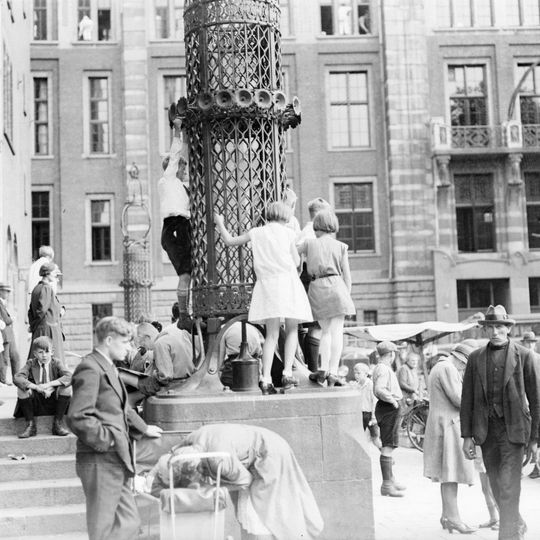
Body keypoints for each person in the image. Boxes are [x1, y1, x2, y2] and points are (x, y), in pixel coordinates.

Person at [67, 316, 163, 540]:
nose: (130, 348)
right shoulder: (90, 368)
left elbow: (123, 407)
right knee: (102, 527)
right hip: (100, 458)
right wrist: (108, 439)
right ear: (109, 340)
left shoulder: (109, 367)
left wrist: (143, 428)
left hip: (116, 458)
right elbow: (77, 417)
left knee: (129, 523)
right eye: (125, 342)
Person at [147, 423, 324, 540]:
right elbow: (168, 456)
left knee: (266, 512)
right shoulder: (192, 441)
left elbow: (245, 482)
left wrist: (215, 489)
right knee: (248, 511)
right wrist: (150, 476)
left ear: (197, 470)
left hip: (270, 456)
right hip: (256, 448)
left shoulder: (219, 461)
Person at [214, 201, 312, 395]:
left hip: (267, 285)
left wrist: (220, 223)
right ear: (285, 216)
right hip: (288, 283)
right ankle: (287, 372)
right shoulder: (289, 234)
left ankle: (265, 378)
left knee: (271, 334)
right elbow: (296, 261)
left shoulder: (256, 232)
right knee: (292, 329)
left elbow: (230, 241)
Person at [461, 305, 540, 540]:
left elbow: (536, 401)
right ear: (485, 330)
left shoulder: (524, 356)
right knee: (495, 484)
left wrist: (535, 439)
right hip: (486, 432)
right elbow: (467, 400)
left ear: (507, 329)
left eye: (499, 327)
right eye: (490, 327)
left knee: (509, 485)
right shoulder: (475, 358)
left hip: (514, 431)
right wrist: (467, 437)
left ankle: (508, 536)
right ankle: (515, 523)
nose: (495, 332)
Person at [423, 340, 478, 534]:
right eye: (466, 365)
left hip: (443, 424)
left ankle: (447, 516)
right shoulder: (448, 369)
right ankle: (454, 519)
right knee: (451, 474)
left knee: (448, 475)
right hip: (448, 426)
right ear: (461, 360)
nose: (464, 369)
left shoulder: (441, 366)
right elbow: (459, 399)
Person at [298, 210, 355, 386]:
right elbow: (347, 276)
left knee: (325, 331)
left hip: (317, 287)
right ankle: (333, 371)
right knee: (337, 331)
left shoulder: (308, 244)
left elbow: (291, 251)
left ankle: (323, 369)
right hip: (337, 286)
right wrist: (347, 295)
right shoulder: (341, 246)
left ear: (316, 226)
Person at [158, 116, 192, 331]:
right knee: (185, 273)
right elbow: (176, 153)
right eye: (183, 167)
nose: (184, 170)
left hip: (183, 227)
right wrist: (178, 131)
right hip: (174, 228)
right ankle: (183, 314)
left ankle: (187, 311)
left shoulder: (181, 185)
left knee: (191, 272)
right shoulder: (168, 179)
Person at [13, 336, 72, 438]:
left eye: (47, 352)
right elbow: (17, 377)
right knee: (21, 390)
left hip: (54, 400)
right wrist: (36, 387)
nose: (44, 355)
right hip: (36, 401)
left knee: (67, 388)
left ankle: (57, 424)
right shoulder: (31, 363)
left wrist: (49, 385)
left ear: (52, 352)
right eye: (40, 352)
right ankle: (30, 426)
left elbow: (69, 376)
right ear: (35, 354)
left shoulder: (56, 362)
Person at [372, 340, 405, 497]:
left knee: (389, 444)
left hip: (387, 408)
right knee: (388, 446)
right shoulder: (384, 369)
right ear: (391, 355)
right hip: (389, 408)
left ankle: (391, 480)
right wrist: (392, 401)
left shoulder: (380, 367)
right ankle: (387, 485)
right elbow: (379, 389)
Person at [28, 263, 65, 362]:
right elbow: (42, 310)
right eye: (55, 274)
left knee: (39, 361)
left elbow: (31, 311)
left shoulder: (37, 288)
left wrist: (33, 325)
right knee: (51, 362)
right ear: (47, 273)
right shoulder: (46, 288)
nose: (57, 277)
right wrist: (34, 325)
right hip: (48, 330)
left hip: (41, 328)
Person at [218, 320, 264, 388]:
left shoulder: (223, 329)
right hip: (254, 373)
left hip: (233, 373)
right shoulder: (251, 327)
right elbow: (260, 352)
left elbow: (220, 358)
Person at [152, 322, 196, 386]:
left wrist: (153, 375)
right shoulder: (176, 334)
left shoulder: (159, 343)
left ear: (147, 337)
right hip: (190, 381)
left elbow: (166, 376)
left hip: (176, 385)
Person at [350, 362, 381, 448]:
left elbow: (375, 402)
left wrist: (374, 417)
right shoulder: (356, 385)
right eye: (355, 373)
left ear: (366, 374)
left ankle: (384, 454)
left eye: (359, 373)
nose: (356, 375)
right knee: (358, 436)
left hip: (370, 414)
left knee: (375, 438)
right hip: (360, 414)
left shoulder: (370, 385)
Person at [0, 282, 20, 385]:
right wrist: (11, 319)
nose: (8, 294)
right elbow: (5, 320)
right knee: (5, 358)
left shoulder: (3, 303)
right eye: (6, 291)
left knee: (15, 356)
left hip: (9, 333)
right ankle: (2, 379)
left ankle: (17, 378)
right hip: (4, 334)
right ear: (1, 291)